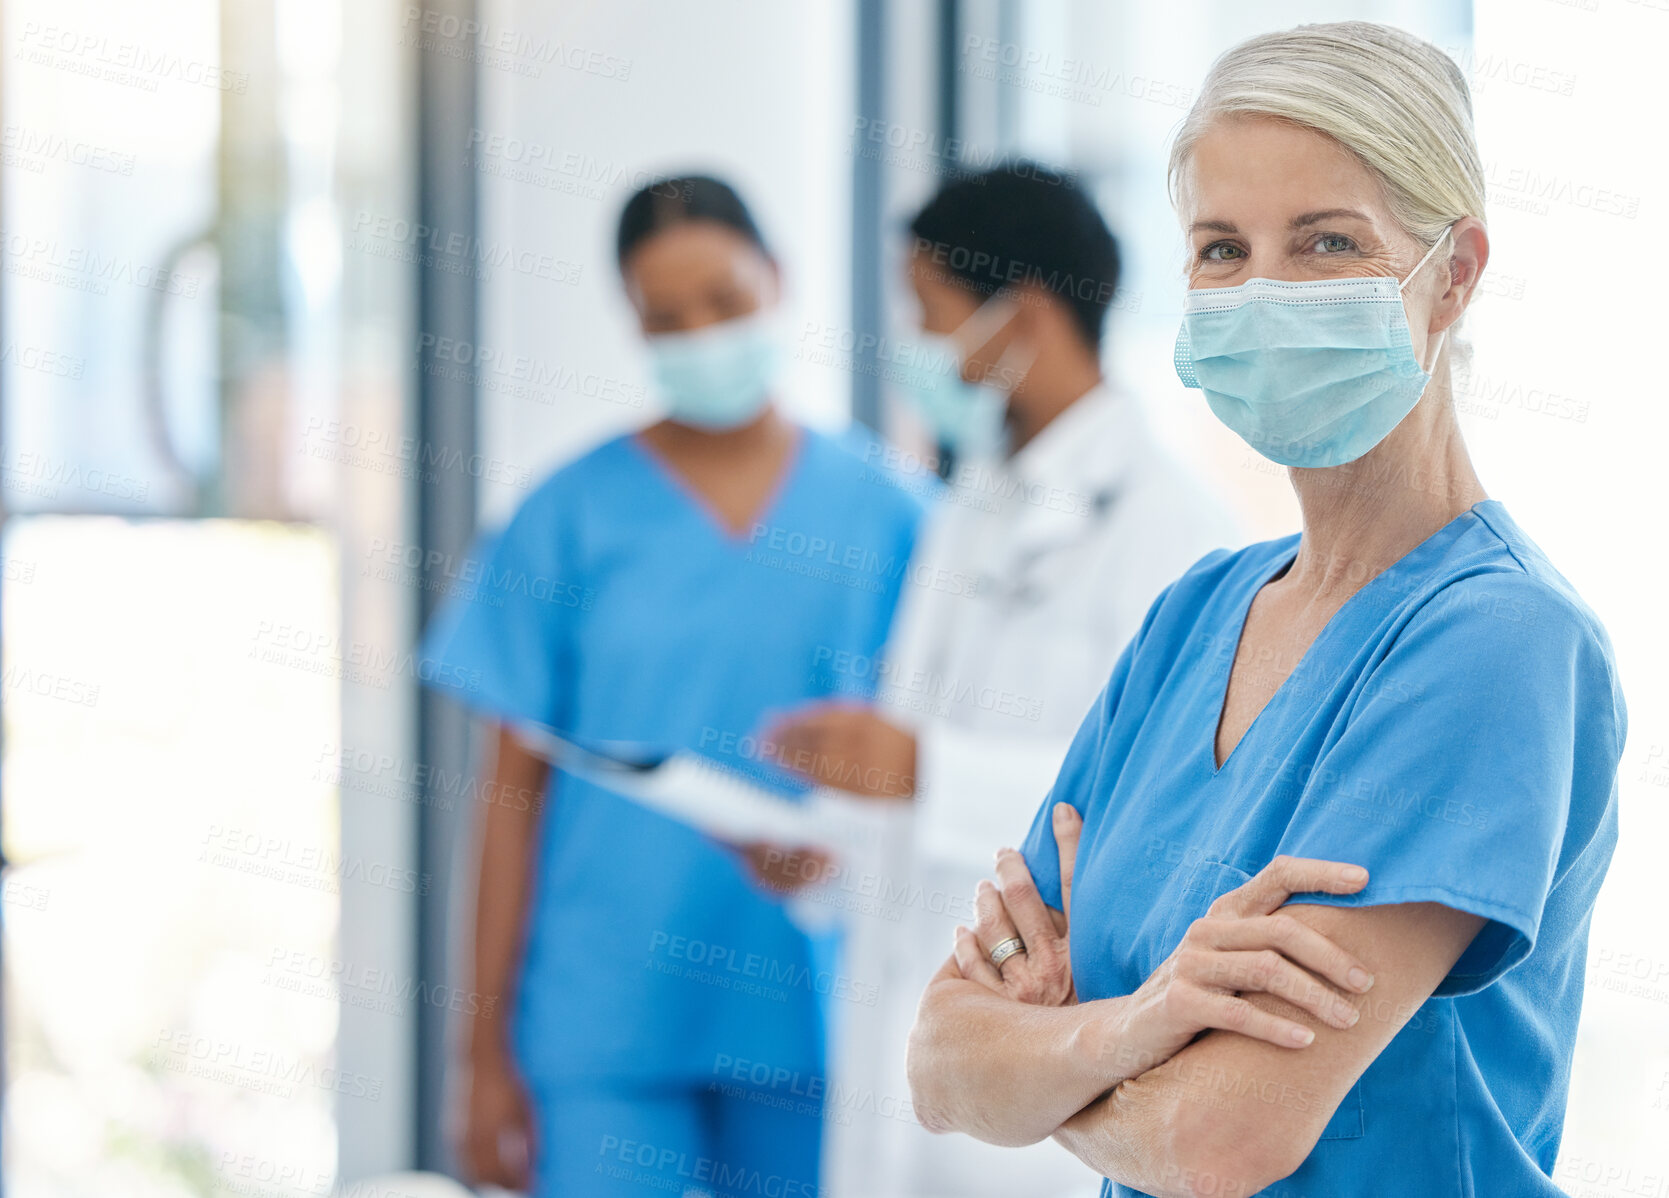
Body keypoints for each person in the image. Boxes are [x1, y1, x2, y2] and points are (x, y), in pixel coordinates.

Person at [906, 22, 1625, 1198]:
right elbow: (939, 1065)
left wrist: (1050, 1063)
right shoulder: (1194, 615)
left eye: (1326, 242)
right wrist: (1146, 1022)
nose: (1263, 291)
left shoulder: (1495, 645)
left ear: (1452, 272)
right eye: (1223, 249)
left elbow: (1220, 1141)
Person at [419, 174, 928, 1198]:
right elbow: (508, 802)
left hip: (813, 1009)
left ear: (778, 280)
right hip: (605, 1016)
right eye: (666, 316)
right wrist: (477, 1056)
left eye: (726, 302)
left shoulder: (895, 515)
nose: (700, 333)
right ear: (631, 322)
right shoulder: (565, 517)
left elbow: (928, 771)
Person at [767, 163, 1237, 1198]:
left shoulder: (1173, 533)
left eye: (930, 316)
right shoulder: (969, 505)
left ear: (1017, 315)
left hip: (1042, 1073)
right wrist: (826, 852)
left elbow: (1166, 814)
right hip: (912, 1047)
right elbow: (920, 777)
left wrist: (922, 773)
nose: (916, 351)